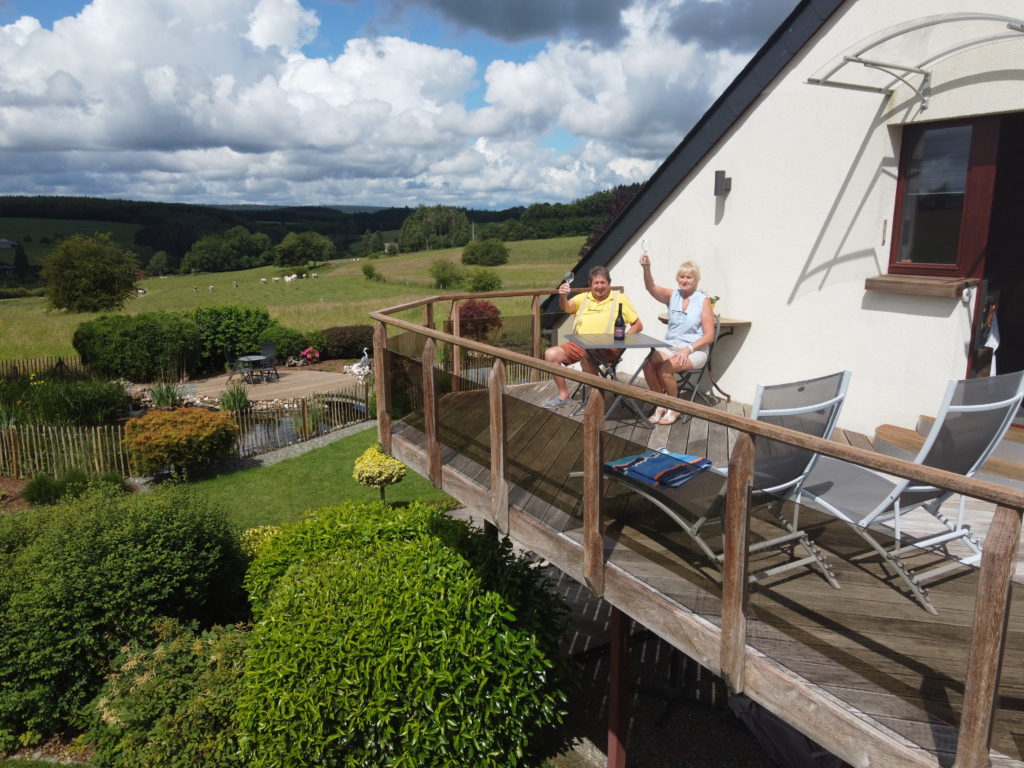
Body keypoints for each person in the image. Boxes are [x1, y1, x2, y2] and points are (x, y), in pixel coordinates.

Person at [543, 266, 642, 409]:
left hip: (607, 347)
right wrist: (563, 296)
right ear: (590, 284)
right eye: (596, 283)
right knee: (550, 354)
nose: (600, 286)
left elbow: (638, 325)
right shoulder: (583, 298)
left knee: (587, 355)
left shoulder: (619, 299)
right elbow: (566, 307)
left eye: (603, 283)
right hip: (578, 343)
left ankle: (596, 399)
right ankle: (564, 396)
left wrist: (622, 340)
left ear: (609, 283)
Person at [639, 253, 715, 425]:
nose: (684, 280)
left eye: (689, 277)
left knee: (665, 369)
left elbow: (709, 336)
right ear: (677, 278)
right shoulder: (673, 296)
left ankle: (675, 407)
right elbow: (650, 287)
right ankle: (660, 404)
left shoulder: (703, 301)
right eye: (682, 276)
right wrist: (646, 268)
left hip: (695, 350)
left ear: (696, 279)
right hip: (671, 346)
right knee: (648, 364)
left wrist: (687, 350)